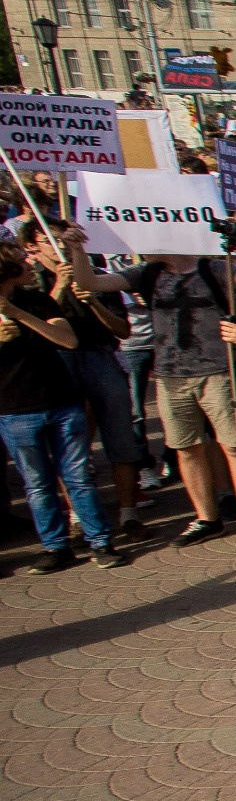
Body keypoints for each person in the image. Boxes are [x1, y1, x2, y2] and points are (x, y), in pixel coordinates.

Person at [0, 238, 126, 569]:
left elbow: (67, 339)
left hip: (60, 402)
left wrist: (18, 315)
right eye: (21, 261)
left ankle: (100, 541)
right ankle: (55, 547)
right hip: (14, 410)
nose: (28, 264)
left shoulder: (38, 301)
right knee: (37, 483)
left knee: (78, 476)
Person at [133, 248, 236, 546]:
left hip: (217, 371)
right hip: (169, 375)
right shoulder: (145, 273)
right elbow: (92, 283)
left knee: (235, 445)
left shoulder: (213, 267)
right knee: (185, 447)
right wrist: (75, 251)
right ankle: (207, 518)